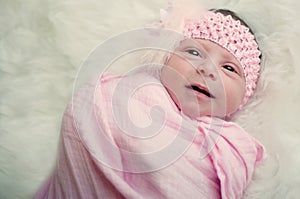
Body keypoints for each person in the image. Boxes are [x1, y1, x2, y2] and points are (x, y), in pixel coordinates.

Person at [34, 3, 265, 199]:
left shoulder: (234, 149)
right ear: (166, 59)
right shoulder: (118, 95)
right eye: (193, 53)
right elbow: (83, 115)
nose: (207, 69)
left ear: (242, 99)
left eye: (228, 68)